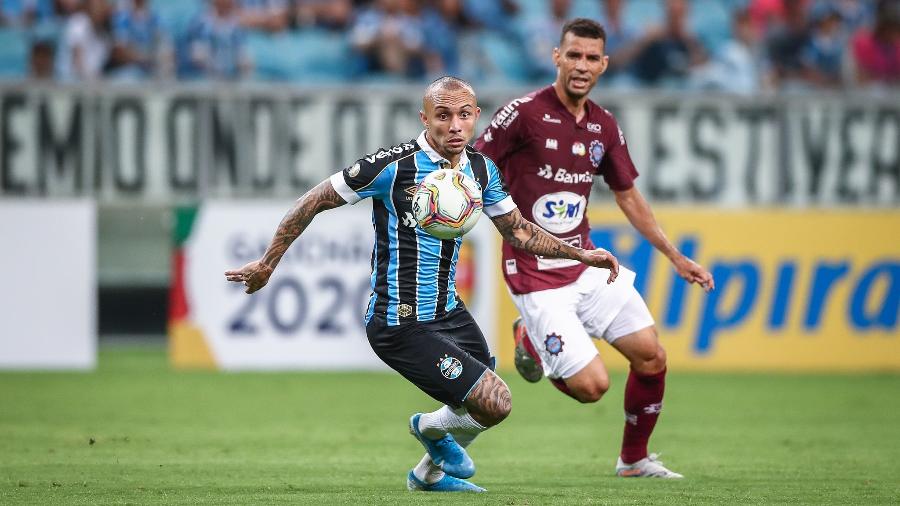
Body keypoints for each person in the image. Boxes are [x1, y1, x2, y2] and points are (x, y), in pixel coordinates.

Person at [225, 76, 621, 492]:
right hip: (400, 322)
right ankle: (428, 428)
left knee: (480, 403)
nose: (454, 125)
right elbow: (314, 200)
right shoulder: (393, 165)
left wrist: (580, 254)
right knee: (496, 401)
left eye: (464, 115)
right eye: (444, 116)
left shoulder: (481, 169)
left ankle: (426, 477)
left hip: (448, 311)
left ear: (475, 118)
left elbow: (519, 231)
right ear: (424, 118)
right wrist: (269, 262)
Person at [473, 18, 714, 479]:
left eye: (591, 58)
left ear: (604, 64)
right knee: (592, 387)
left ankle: (634, 459)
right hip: (534, 270)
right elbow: (476, 167)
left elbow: (628, 196)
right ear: (556, 57)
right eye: (573, 55)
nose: (581, 65)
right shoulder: (522, 113)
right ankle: (531, 339)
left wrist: (676, 257)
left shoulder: (603, 125)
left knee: (652, 356)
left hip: (585, 264)